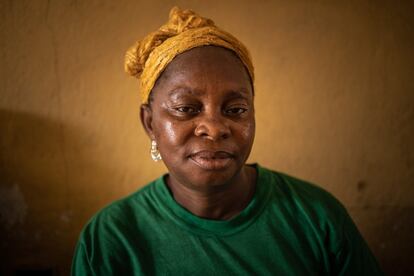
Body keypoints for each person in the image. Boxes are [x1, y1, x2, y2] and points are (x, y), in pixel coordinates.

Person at [72, 7, 383, 275]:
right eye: (186, 109)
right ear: (150, 123)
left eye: (235, 110)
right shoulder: (111, 239)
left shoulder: (317, 217)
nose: (214, 128)